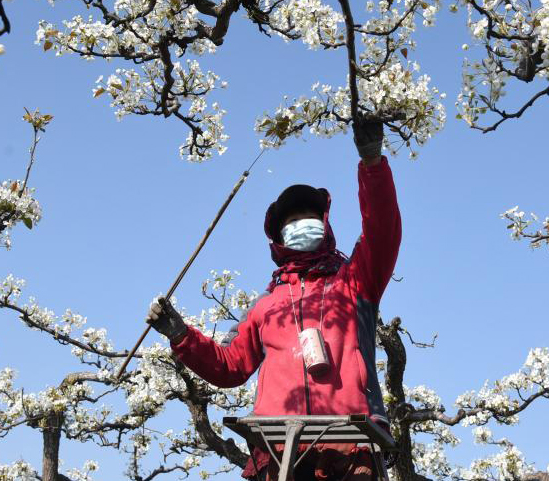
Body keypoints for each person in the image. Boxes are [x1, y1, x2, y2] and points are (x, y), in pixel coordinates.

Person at [146, 119, 400, 481]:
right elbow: (228, 366)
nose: (302, 225)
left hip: (350, 446)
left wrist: (373, 165)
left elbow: (383, 231)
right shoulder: (265, 305)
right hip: (279, 451)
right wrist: (180, 334)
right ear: (279, 236)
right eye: (292, 221)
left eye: (310, 217)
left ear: (325, 224)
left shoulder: (355, 281)